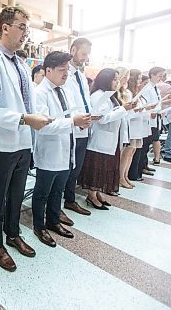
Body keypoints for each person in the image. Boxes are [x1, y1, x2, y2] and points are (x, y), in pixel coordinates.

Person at [0, 6, 51, 272]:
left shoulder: (21, 63)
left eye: (27, 29)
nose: (26, 34)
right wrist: (26, 119)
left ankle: (13, 233)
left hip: (23, 141)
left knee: (17, 195)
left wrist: (33, 118)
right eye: (22, 27)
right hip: (0, 144)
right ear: (4, 27)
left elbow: (25, 101)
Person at [32, 51, 90, 247]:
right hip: (49, 152)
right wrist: (72, 122)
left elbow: (72, 114)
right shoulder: (40, 93)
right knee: (42, 193)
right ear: (48, 70)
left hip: (67, 149)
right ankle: (39, 226)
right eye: (61, 70)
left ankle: (54, 221)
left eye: (67, 70)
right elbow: (44, 126)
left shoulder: (65, 90)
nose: (65, 74)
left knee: (58, 191)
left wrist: (82, 121)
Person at [78, 68, 134, 209]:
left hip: (110, 139)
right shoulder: (98, 95)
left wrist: (124, 109)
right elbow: (102, 118)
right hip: (100, 139)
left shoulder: (110, 95)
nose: (117, 82)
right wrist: (123, 109)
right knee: (98, 167)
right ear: (106, 79)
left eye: (117, 79)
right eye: (114, 79)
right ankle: (92, 194)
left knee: (106, 167)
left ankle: (98, 193)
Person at [63, 37, 94, 216]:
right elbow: (66, 102)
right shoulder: (65, 74)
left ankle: (70, 199)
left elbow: (85, 99)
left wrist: (90, 116)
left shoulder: (81, 76)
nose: (85, 58)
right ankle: (64, 200)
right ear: (73, 50)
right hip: (72, 127)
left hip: (85, 127)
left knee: (76, 168)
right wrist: (77, 120)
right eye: (83, 53)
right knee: (67, 168)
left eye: (88, 54)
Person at [119, 68, 144, 188]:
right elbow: (124, 110)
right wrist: (134, 110)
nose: (126, 79)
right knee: (126, 152)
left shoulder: (132, 92)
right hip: (130, 124)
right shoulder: (125, 92)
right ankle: (121, 177)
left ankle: (125, 175)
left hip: (135, 124)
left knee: (131, 152)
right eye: (138, 78)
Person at [141, 67, 166, 166]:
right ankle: (143, 165)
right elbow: (145, 104)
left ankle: (145, 165)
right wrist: (153, 111)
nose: (161, 78)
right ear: (152, 75)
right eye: (159, 76)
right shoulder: (147, 88)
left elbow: (156, 103)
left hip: (156, 118)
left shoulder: (155, 88)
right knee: (146, 144)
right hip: (149, 118)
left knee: (151, 141)